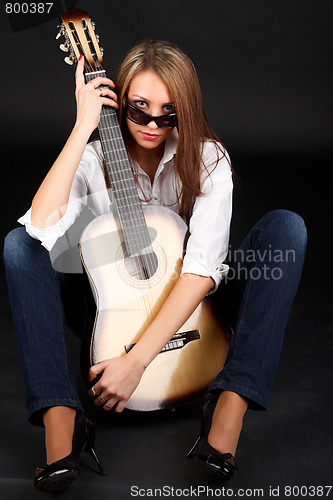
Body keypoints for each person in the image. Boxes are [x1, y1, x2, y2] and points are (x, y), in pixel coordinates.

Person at [3, 40, 306, 492]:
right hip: (111, 307)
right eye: (138, 108)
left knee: (288, 229)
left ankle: (227, 408)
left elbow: (202, 270)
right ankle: (62, 419)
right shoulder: (96, 157)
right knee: (17, 245)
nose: (152, 124)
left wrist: (136, 362)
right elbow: (40, 224)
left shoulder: (207, 158)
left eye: (169, 113)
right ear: (119, 100)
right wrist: (84, 125)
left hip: (191, 308)